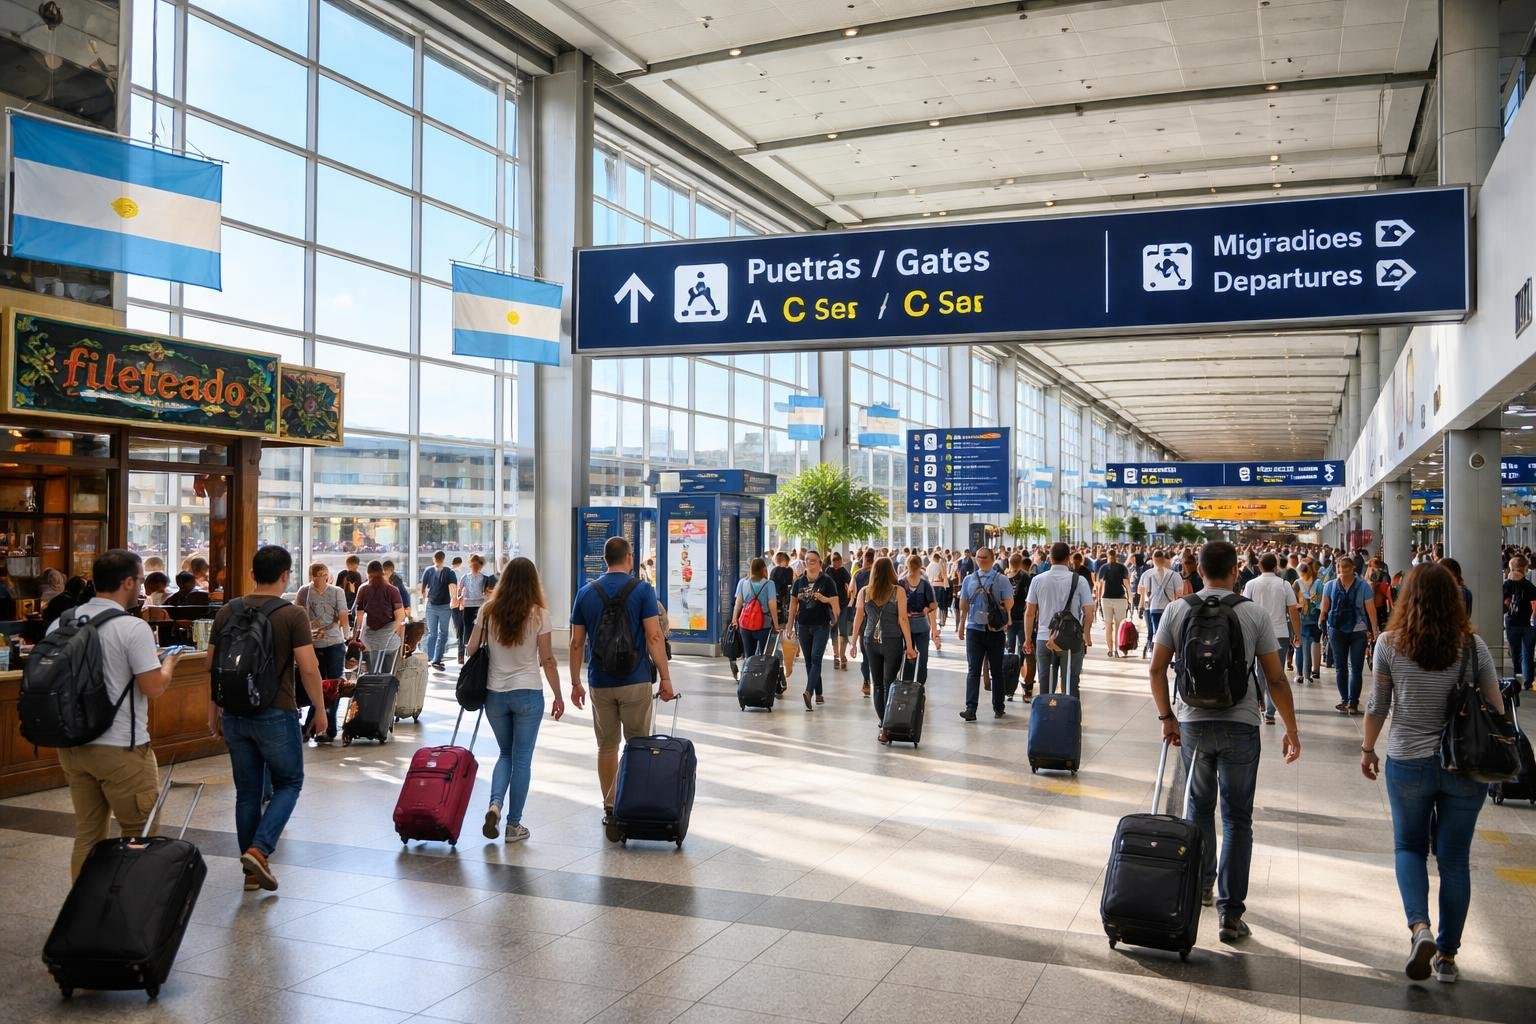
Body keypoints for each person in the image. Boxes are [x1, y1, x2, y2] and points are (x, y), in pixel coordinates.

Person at [1150, 541, 1301, 943]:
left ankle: (1201, 884)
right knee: (1237, 818)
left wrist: (1167, 717)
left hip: (1193, 724)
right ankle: (1231, 914)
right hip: (1240, 724)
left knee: (1199, 809)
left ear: (1199, 570)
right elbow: (1276, 678)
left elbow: (1156, 669)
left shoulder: (1178, 610)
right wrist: (1290, 728)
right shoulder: (1251, 612)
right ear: (1236, 571)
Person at [1361, 563, 1503, 984]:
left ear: (1408, 598)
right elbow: (1495, 707)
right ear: (1455, 599)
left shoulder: (1389, 643)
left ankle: (1419, 928)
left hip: (1408, 761)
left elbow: (1377, 705)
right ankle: (1447, 956)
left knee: (1408, 848)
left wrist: (1368, 749)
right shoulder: (1473, 647)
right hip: (1463, 764)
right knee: (1455, 859)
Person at [51, 550, 181, 879]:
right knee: (140, 835)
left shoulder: (62, 621)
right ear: (127, 582)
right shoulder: (131, 627)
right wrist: (167, 664)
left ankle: (82, 915)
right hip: (121, 748)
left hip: (72, 744)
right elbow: (152, 687)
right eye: (139, 581)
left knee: (88, 834)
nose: (140, 588)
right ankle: (127, 918)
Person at [207, 545, 326, 891]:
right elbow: (308, 667)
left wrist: (213, 711)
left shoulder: (227, 611)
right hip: (276, 712)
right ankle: (259, 852)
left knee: (247, 793)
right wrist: (319, 708)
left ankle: (250, 875)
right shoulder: (292, 615)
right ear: (286, 575)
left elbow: (210, 665)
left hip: (234, 713)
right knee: (289, 783)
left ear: (252, 574)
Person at [567, 536, 674, 840]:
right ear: (629, 557)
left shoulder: (586, 592)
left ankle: (610, 807)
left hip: (600, 682)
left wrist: (575, 682)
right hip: (636, 679)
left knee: (607, 746)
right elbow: (654, 637)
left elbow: (576, 642)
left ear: (604, 560)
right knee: (638, 743)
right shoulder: (642, 590)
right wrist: (665, 678)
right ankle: (634, 804)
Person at [467, 557, 565, 844]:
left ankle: (494, 804)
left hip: (495, 695)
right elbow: (547, 659)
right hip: (528, 694)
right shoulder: (538, 614)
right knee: (522, 759)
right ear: (533, 582)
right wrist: (558, 695)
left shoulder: (488, 610)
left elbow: (472, 648)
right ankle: (513, 825)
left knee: (505, 754)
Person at [849, 557, 917, 743]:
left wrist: (853, 642)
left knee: (877, 684)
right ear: (891, 572)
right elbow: (902, 619)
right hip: (892, 640)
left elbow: (858, 618)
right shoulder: (899, 591)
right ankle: (887, 726)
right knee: (889, 684)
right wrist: (910, 646)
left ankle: (883, 725)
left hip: (870, 640)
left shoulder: (864, 592)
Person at [1023, 542, 1096, 700]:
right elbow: (1089, 611)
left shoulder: (1037, 580)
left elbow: (1029, 613)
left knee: (1045, 684)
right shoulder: (1080, 580)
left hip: (1044, 638)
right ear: (1069, 558)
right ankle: (1071, 721)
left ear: (1049, 558)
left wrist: (1028, 639)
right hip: (1071, 640)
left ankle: (1045, 720)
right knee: (1071, 683)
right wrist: (1086, 633)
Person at [1242, 553, 1301, 726]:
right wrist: (1297, 633)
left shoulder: (1251, 585)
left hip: (1257, 634)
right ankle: (1270, 712)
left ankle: (1259, 704)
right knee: (1276, 674)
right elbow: (1293, 610)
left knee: (1259, 672)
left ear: (1259, 567)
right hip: (1280, 634)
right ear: (1276, 567)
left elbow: (1244, 609)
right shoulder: (1284, 585)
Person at [956, 546, 1014, 721]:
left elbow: (1009, 602)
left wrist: (1005, 620)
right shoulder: (969, 579)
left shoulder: (1001, 579)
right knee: (973, 669)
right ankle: (971, 708)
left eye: (984, 557)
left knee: (996, 670)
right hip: (974, 628)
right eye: (978, 557)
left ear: (992, 558)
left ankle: (999, 706)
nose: (981, 560)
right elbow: (964, 603)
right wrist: (961, 624)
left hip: (995, 630)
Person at [296, 562, 349, 743]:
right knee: (316, 685)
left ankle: (325, 727)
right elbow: (300, 616)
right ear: (311, 576)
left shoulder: (336, 592)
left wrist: (347, 636)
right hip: (313, 644)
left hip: (334, 642)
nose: (320, 578)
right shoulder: (304, 591)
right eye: (317, 574)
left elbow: (343, 614)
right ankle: (317, 727)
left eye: (323, 574)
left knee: (332, 686)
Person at [1319, 555, 1379, 715]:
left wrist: (1322, 624)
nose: (1343, 571)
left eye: (1344, 568)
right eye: (1342, 568)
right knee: (1356, 668)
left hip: (1336, 629)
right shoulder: (1363, 586)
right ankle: (1352, 703)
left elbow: (1324, 609)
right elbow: (1370, 609)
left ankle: (1345, 700)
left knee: (1341, 668)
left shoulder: (1329, 585)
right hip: (1358, 629)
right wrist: (1374, 629)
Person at [786, 550, 840, 711]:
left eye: (813, 560)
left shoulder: (827, 581)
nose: (810, 563)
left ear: (819, 562)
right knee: (809, 661)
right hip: (802, 625)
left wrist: (826, 599)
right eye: (807, 560)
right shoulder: (799, 582)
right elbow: (793, 605)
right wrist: (789, 626)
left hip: (821, 625)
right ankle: (819, 692)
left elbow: (836, 607)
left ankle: (808, 692)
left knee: (816, 658)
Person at [729, 557, 779, 668]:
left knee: (748, 655)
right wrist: (776, 624)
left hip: (745, 624)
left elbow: (738, 603)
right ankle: (760, 680)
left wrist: (734, 619)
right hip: (764, 624)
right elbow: (772, 605)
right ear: (763, 569)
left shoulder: (742, 582)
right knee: (763, 656)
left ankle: (747, 678)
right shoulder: (769, 584)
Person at [899, 554, 940, 685]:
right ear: (920, 566)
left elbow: (933, 605)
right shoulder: (923, 584)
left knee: (909, 655)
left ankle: (907, 683)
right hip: (918, 625)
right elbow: (934, 604)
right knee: (922, 657)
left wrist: (927, 609)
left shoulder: (901, 583)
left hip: (909, 625)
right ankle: (918, 685)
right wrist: (928, 610)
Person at [354, 560, 406, 656]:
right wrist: (389, 632)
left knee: (370, 666)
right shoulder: (392, 590)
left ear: (367, 573)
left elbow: (359, 617)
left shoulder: (363, 589)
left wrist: (356, 637)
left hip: (368, 642)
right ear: (382, 573)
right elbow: (401, 616)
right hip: (389, 642)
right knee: (388, 668)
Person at [1137, 549, 1182, 661]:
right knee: (1170, 632)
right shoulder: (1174, 575)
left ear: (1152, 559)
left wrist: (1141, 606)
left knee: (1155, 632)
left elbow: (1141, 593)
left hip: (1152, 608)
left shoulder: (1146, 575)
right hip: (1170, 608)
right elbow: (1179, 595)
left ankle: (1156, 653)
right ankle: (1170, 653)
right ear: (1164, 559)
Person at [420, 550, 457, 672]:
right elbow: (452, 587)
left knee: (433, 633)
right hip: (445, 606)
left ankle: (430, 658)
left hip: (431, 605)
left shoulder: (428, 570)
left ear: (433, 559)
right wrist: (454, 600)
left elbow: (423, 588)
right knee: (443, 633)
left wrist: (425, 601)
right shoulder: (449, 571)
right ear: (444, 558)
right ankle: (436, 659)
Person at [1503, 555, 1536, 689]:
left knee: (1515, 652)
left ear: (1511, 568)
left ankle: (1516, 678)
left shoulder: (1506, 585)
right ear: (1525, 569)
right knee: (1528, 652)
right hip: (1529, 624)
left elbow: (1503, 604)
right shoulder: (1530, 586)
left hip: (1512, 623)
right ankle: (1528, 681)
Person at [1095, 550, 1131, 658]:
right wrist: (1130, 599)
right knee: (1119, 626)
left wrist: (1098, 599)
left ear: (1107, 556)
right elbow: (1127, 584)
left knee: (1108, 626)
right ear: (1117, 556)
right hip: (1120, 598)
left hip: (1106, 599)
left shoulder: (1103, 568)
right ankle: (1117, 650)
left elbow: (1100, 585)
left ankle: (1110, 650)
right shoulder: (1122, 567)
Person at [457, 554, 492, 664]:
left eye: (477, 565)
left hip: (480, 606)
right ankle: (469, 653)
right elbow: (459, 592)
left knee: (480, 628)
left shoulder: (484, 578)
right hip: (468, 606)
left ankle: (479, 652)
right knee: (468, 629)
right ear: (470, 565)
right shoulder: (465, 577)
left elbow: (488, 594)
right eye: (473, 565)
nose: (475, 567)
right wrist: (461, 597)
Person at [851, 551, 876, 693]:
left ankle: (866, 681)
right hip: (878, 616)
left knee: (865, 651)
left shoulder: (857, 574)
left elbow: (851, 592)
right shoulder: (879, 574)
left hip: (862, 616)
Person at [1297, 560, 1324, 685]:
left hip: (1301, 619)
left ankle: (1301, 674)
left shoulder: (1297, 584)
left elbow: (1291, 603)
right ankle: (1310, 673)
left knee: (1300, 647)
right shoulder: (1319, 583)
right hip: (1315, 619)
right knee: (1313, 644)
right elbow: (1322, 602)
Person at [826, 552, 854, 674]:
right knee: (835, 631)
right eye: (835, 562)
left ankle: (841, 656)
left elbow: (850, 585)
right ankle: (837, 656)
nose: (836, 564)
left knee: (842, 631)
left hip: (841, 604)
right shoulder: (829, 570)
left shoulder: (842, 571)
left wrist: (850, 595)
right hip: (832, 605)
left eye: (837, 562)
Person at [928, 552, 952, 629]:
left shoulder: (930, 565)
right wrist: (946, 586)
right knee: (941, 605)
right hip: (941, 586)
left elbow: (928, 577)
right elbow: (945, 576)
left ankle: (932, 623)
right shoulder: (940, 565)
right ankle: (941, 622)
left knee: (932, 607)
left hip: (932, 586)